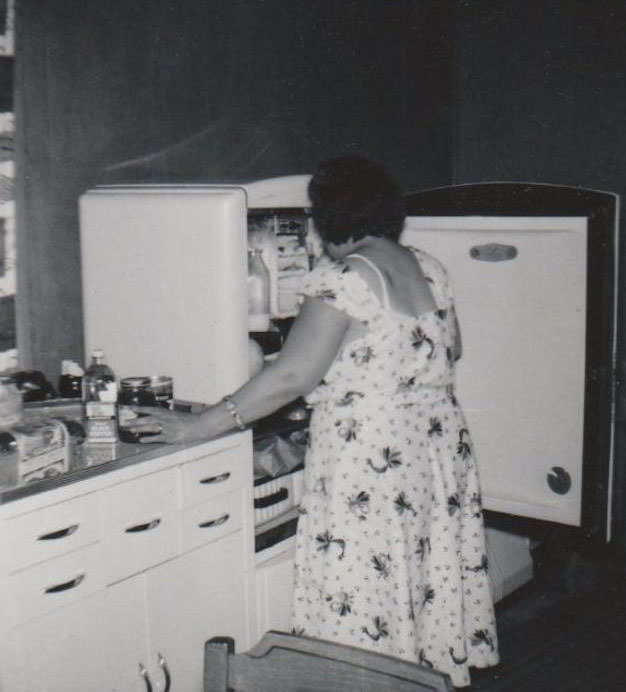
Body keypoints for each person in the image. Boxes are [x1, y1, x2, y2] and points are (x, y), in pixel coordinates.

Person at [128, 155, 499, 687]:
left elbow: (289, 379)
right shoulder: (427, 265)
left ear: (327, 218)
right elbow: (449, 347)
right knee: (417, 584)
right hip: (434, 455)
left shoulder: (343, 279)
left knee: (364, 598)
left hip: (372, 462)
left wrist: (195, 426)